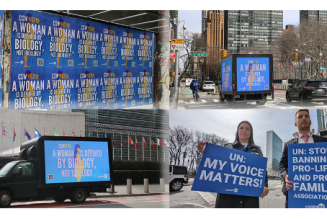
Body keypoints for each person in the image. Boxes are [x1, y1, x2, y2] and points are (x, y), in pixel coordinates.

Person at [197, 120, 269, 208]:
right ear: (237, 131)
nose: (244, 130)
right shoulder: (227, 147)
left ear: (251, 133)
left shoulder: (257, 150)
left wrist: (264, 186)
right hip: (228, 198)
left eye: (247, 129)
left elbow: (262, 171)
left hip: (249, 198)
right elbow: (217, 167)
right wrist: (208, 155)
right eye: (241, 128)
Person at [279, 109, 327, 208]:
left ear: (310, 121)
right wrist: (285, 176)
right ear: (295, 123)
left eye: (306, 116)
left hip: (320, 195)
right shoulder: (288, 144)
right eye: (300, 117)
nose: (304, 118)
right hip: (295, 193)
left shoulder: (323, 142)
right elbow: (282, 165)